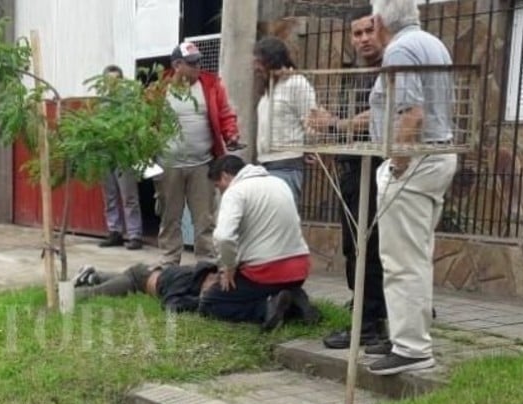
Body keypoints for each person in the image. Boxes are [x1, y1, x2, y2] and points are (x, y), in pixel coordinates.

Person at [366, 0, 458, 375]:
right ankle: (408, 334)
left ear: (379, 19)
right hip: (437, 155)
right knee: (415, 256)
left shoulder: (400, 49)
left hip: (416, 160)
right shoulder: (431, 42)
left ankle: (412, 347)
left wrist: (397, 164)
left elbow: (412, 113)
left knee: (401, 260)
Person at [308, 5, 390, 350]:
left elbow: (375, 117)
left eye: (369, 31)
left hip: (376, 169)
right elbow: (346, 123)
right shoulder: (356, 73)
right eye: (357, 33)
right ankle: (366, 309)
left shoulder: (389, 69)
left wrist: (334, 124)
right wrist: (329, 134)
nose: (363, 39)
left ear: (382, 31)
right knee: (353, 247)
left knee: (368, 247)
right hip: (352, 168)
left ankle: (370, 323)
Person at [202, 154, 317, 331]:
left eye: (218, 186)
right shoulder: (279, 183)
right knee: (250, 290)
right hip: (299, 268)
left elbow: (224, 237)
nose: (220, 192)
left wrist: (229, 267)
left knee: (211, 303)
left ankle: (268, 308)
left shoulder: (236, 191)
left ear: (225, 176)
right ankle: (294, 298)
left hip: (266, 272)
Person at [156, 41, 239, 266]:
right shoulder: (159, 89)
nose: (197, 66)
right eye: (192, 63)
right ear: (177, 65)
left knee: (204, 218)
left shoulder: (211, 85)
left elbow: (225, 114)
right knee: (170, 216)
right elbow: (146, 123)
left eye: (199, 61)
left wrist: (231, 134)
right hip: (169, 165)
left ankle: (206, 263)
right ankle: (169, 264)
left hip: (203, 164)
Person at [252, 37, 316, 205]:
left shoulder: (296, 83)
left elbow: (311, 121)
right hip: (265, 164)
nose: (256, 67)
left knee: (281, 221)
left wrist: (308, 147)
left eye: (260, 62)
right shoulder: (269, 88)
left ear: (272, 60)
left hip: (286, 165)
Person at [98, 65, 143, 250]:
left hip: (124, 154)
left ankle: (134, 235)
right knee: (109, 195)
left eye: (116, 79)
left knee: (129, 196)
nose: (113, 83)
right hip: (106, 154)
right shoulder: (101, 103)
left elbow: (136, 127)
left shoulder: (129, 103)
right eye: (109, 80)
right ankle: (114, 231)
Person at [73, 261, 219, 314]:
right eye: (211, 286)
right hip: (138, 279)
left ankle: (92, 275)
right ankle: (65, 294)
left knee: (111, 280)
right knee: (95, 293)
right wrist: (198, 301)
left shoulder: (204, 274)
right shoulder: (186, 278)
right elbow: (170, 305)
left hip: (143, 276)